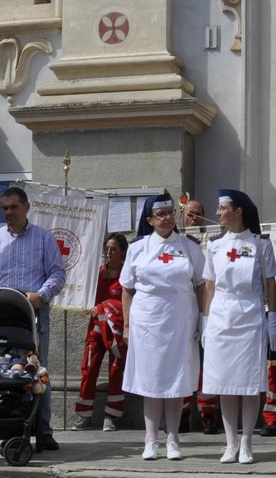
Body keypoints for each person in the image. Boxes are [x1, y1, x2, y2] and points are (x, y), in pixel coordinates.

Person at [0, 186, 65, 450]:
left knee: (38, 369)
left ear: (26, 208)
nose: (9, 212)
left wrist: (41, 295)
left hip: (32, 312)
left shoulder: (43, 238)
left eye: (14, 207)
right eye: (5, 208)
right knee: (1, 367)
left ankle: (43, 430)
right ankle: (4, 420)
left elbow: (58, 273)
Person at [121, 195, 207, 461]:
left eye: (170, 213)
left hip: (181, 318)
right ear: (150, 220)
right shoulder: (139, 247)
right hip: (148, 320)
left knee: (177, 379)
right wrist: (126, 325)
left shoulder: (189, 246)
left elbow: (202, 284)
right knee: (151, 379)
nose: (167, 218)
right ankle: (150, 438)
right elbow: (127, 288)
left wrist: (204, 317)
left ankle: (173, 438)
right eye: (161, 214)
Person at [200, 189, 276, 464]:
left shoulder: (260, 244)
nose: (219, 213)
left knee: (247, 382)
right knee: (225, 381)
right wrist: (205, 321)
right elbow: (209, 284)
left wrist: (272, 318)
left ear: (239, 210)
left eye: (223, 208)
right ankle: (230, 442)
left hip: (249, 314)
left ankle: (247, 442)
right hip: (222, 313)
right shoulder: (215, 244)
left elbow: (270, 282)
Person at [70, 232, 129, 432]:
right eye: (107, 249)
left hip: (116, 332)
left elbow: (127, 304)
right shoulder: (97, 274)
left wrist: (103, 306)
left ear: (122, 252)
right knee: (88, 369)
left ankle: (111, 417)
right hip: (96, 329)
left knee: (115, 371)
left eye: (114, 249)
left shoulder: (126, 276)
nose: (109, 253)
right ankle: (84, 416)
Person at [180, 197, 221, 435]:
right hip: (184, 312)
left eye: (197, 214)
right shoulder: (178, 243)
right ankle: (183, 414)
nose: (193, 218)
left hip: (209, 311)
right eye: (189, 214)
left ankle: (208, 414)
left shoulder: (212, 241)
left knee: (207, 365)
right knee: (184, 364)